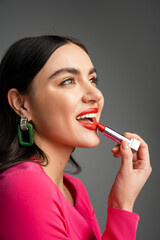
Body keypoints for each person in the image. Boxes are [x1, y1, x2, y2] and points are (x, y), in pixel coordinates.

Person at [0, 35, 152, 240]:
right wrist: (121, 207)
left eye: (92, 80)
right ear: (20, 103)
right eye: (68, 81)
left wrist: (120, 201)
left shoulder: (73, 189)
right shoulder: (25, 187)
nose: (95, 95)